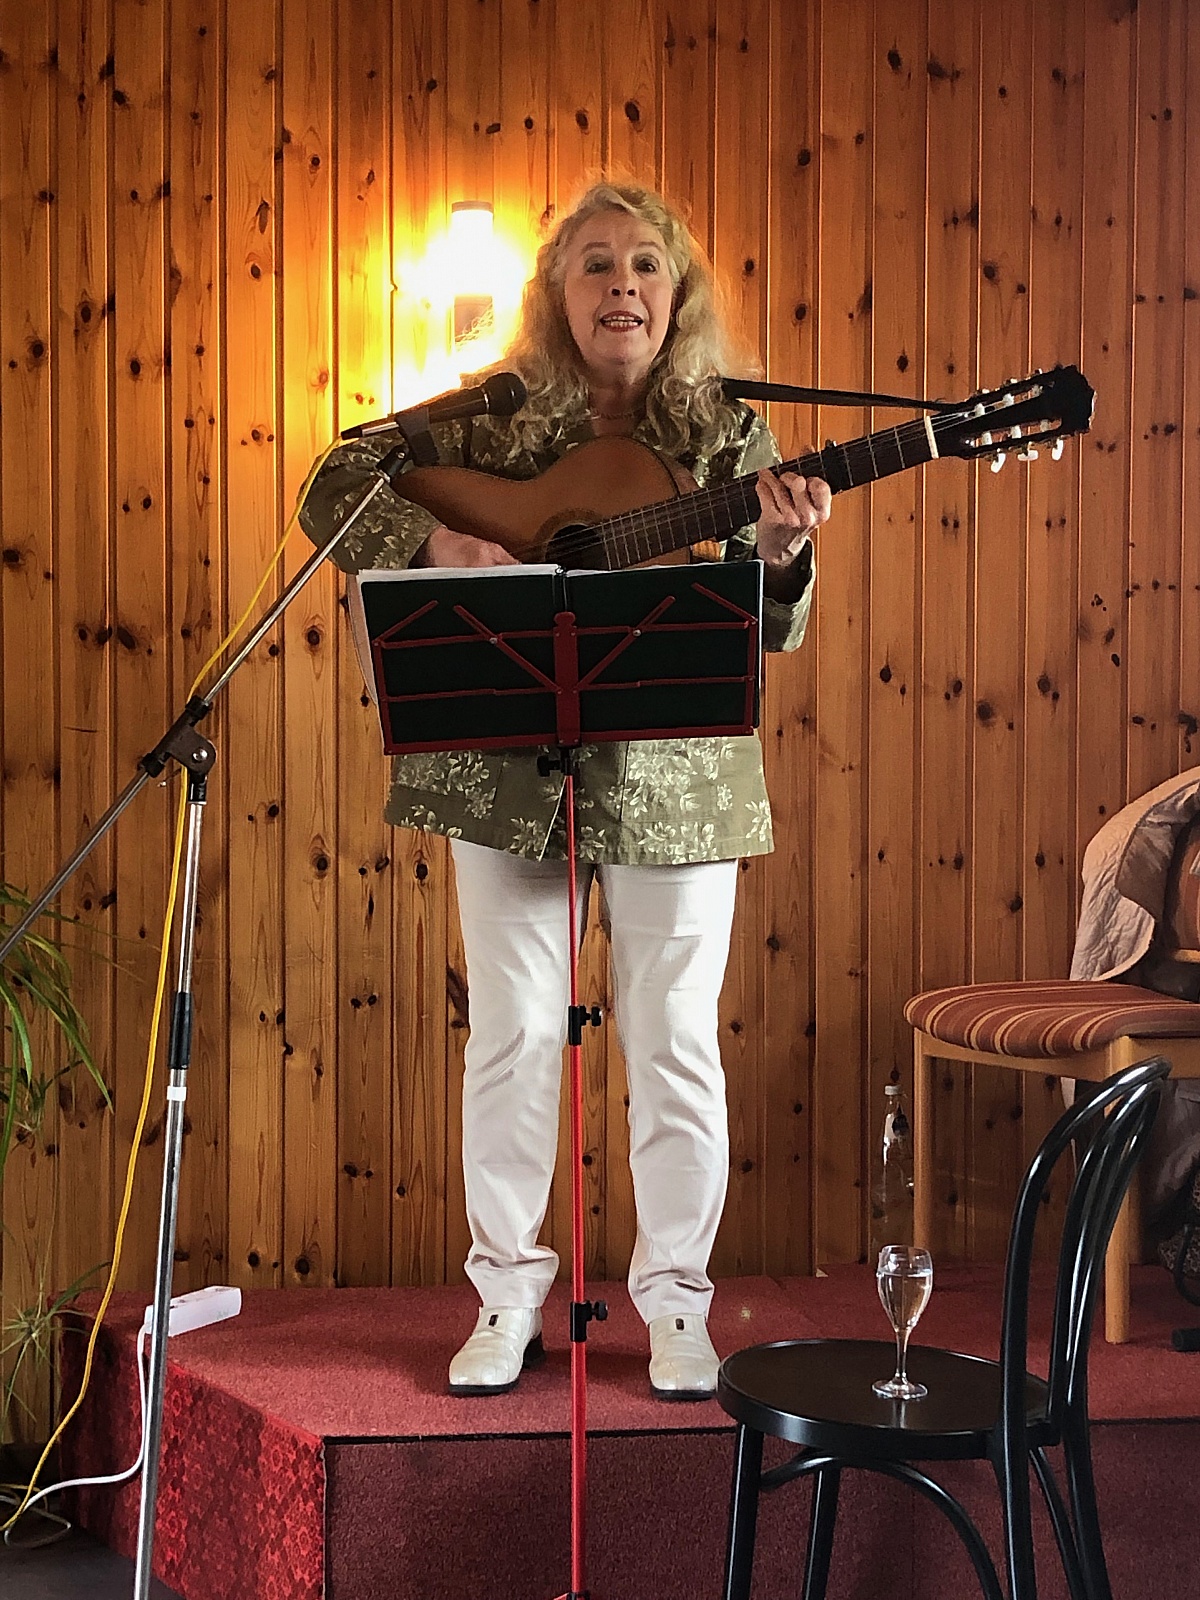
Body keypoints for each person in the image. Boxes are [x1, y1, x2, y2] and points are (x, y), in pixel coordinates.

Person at [299, 181, 831, 1399]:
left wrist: (779, 556)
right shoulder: (487, 420)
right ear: (556, 292)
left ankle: (678, 1305)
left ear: (678, 294)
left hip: (678, 777)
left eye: (646, 263)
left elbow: (776, 629)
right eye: (595, 262)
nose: (622, 284)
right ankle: (506, 1297)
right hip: (505, 769)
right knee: (515, 1032)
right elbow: (332, 480)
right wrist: (433, 545)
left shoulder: (731, 435)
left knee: (675, 1040)